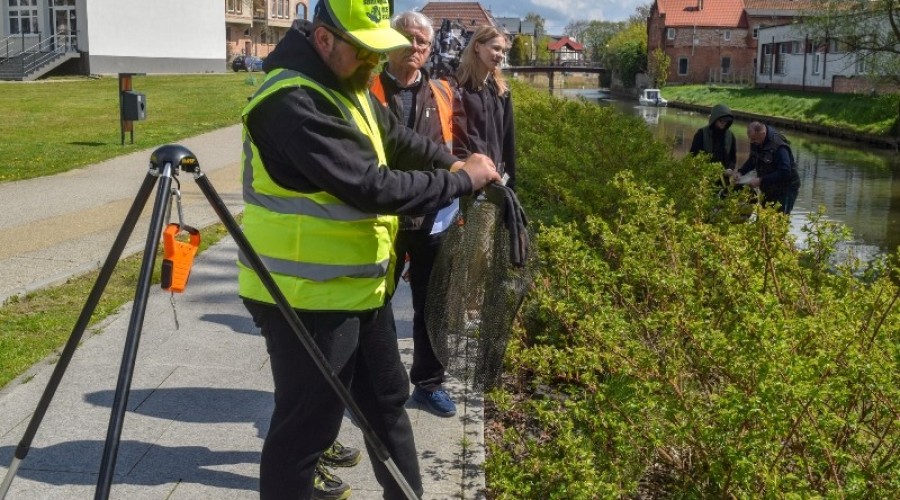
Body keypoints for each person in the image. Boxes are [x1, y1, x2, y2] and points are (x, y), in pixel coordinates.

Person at [237, 0, 501, 498]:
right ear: (323, 40)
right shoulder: (291, 102)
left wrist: (453, 162)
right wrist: (459, 183)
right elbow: (371, 185)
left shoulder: (349, 86)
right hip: (304, 298)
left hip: (361, 287)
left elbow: (398, 140)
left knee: (387, 405)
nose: (374, 63)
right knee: (305, 432)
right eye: (364, 51)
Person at [369, 11, 458, 418]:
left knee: (431, 302)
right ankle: (374, 384)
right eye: (408, 39)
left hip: (431, 215)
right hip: (379, 215)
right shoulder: (367, 89)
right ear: (390, 40)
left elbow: (449, 149)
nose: (415, 48)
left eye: (423, 42)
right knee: (374, 302)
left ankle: (429, 382)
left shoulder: (441, 92)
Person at [452, 25, 516, 191]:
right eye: (495, 48)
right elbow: (456, 139)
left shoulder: (502, 92)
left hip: (497, 181)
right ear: (477, 46)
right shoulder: (458, 89)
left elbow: (508, 141)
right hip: (468, 180)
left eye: (503, 51)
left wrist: (510, 183)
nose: (500, 55)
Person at [732, 121, 801, 214]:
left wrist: (761, 180)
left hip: (785, 188)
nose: (752, 142)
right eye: (750, 139)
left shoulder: (779, 146)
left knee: (778, 220)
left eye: (754, 139)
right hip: (768, 186)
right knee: (764, 219)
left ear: (762, 133)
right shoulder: (757, 140)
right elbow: (753, 159)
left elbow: (785, 171)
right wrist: (740, 172)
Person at [689, 104, 737, 193]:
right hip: (704, 178)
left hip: (724, 180)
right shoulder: (701, 134)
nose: (723, 123)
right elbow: (692, 156)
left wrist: (730, 169)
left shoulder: (730, 136)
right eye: (721, 121)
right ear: (714, 120)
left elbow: (733, 158)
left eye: (725, 121)